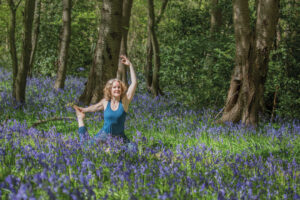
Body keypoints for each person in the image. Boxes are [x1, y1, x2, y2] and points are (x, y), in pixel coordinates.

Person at [73, 55, 137, 145]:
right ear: (110, 90)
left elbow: (134, 83)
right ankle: (80, 120)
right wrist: (83, 110)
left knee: (132, 151)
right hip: (104, 135)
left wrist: (130, 65)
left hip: (120, 137)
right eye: (114, 87)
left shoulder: (124, 101)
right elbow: (95, 107)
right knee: (85, 146)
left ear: (121, 89)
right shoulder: (105, 102)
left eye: (119, 87)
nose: (117, 89)